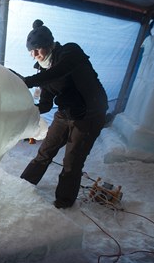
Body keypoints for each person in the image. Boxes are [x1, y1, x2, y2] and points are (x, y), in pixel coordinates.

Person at [16, 19, 108, 209]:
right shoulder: (43, 70)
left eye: (38, 49)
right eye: (31, 52)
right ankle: (23, 185)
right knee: (45, 151)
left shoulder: (70, 52)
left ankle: (64, 203)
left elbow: (59, 72)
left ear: (49, 44)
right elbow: (46, 104)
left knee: (72, 162)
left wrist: (25, 81)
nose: (34, 55)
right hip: (65, 113)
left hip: (89, 114)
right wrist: (26, 109)